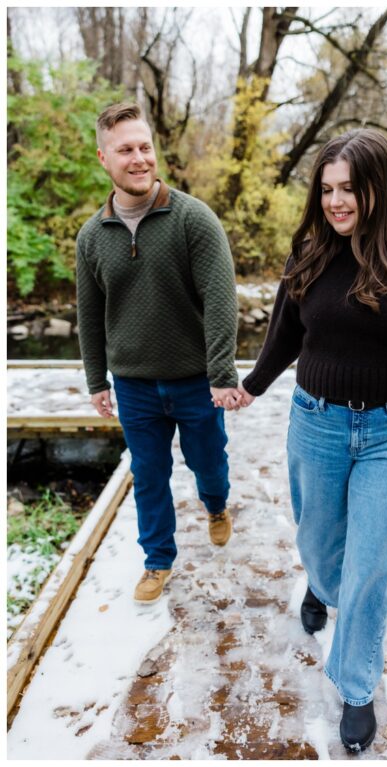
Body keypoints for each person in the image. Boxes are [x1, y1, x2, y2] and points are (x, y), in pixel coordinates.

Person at [235, 129, 387, 751]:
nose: (336, 202)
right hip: (316, 421)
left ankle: (357, 686)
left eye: (350, 190)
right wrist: (251, 386)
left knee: (371, 566)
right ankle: (319, 582)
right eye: (327, 189)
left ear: (380, 188)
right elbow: (286, 332)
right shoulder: (310, 251)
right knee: (318, 541)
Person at [76, 102, 241, 606]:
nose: (139, 159)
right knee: (148, 476)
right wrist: (97, 381)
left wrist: (221, 373)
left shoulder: (193, 219)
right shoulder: (91, 237)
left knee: (209, 463)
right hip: (134, 385)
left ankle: (216, 505)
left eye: (145, 147)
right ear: (104, 158)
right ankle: (158, 560)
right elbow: (89, 314)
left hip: (196, 381)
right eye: (125, 150)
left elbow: (220, 298)